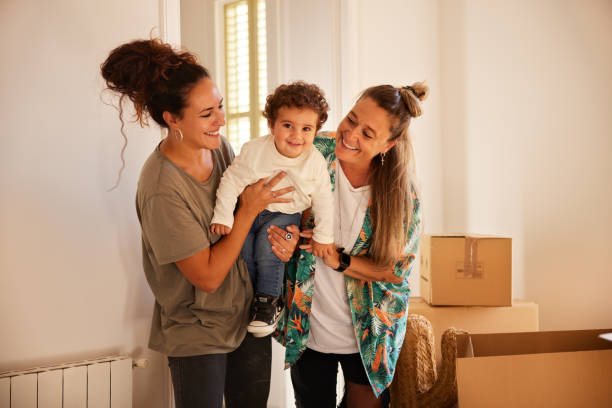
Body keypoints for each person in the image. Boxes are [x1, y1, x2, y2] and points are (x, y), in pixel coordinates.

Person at [100, 38, 299, 408]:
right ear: (171, 119)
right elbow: (207, 277)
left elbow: (254, 222)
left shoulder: (218, 146)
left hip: (246, 316)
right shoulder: (162, 188)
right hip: (198, 331)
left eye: (220, 107)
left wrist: (284, 237)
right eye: (207, 113)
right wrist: (248, 212)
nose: (220, 120)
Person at [274, 83, 427, 407]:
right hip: (310, 324)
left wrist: (339, 260)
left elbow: (394, 272)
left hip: (371, 333)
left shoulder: (402, 196)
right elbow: (273, 197)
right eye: (351, 119)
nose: (350, 134)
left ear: (389, 144)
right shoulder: (312, 151)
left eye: (367, 133)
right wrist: (284, 235)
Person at [211, 81, 335, 337]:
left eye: (306, 128)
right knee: (243, 252)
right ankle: (254, 298)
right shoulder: (255, 150)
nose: (296, 136)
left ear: (315, 131)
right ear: (271, 124)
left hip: (284, 214)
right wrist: (223, 215)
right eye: (287, 125)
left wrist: (324, 237)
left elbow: (324, 200)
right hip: (247, 212)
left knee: (269, 251)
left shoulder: (315, 161)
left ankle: (268, 300)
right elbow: (231, 181)